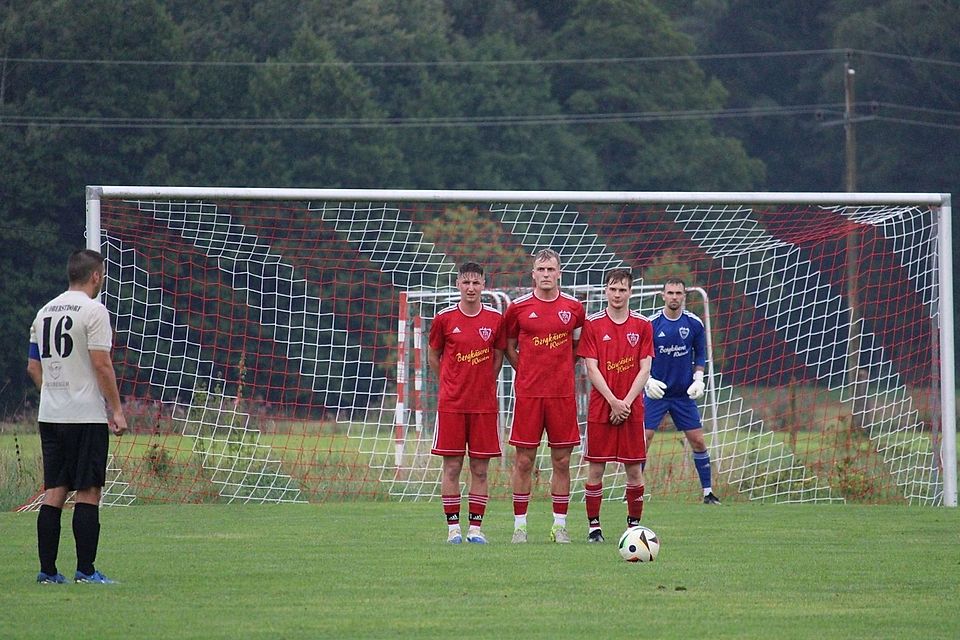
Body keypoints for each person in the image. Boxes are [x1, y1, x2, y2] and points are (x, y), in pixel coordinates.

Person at [27, 249, 128, 584]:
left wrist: (53, 393)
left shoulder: (44, 312)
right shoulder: (94, 311)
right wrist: (115, 409)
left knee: (54, 490)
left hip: (51, 414)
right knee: (88, 490)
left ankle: (47, 572)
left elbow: (32, 365)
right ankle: (85, 570)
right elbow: (101, 363)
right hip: (84, 415)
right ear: (96, 276)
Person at [504, 249, 585, 544]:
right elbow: (509, 346)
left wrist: (560, 370)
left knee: (562, 461)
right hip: (529, 394)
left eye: (551, 269)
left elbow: (578, 347)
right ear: (533, 274)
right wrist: (525, 371)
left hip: (562, 394)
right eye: (542, 269)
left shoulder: (574, 308)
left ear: (559, 273)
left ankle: (559, 525)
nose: (547, 274)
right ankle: (520, 527)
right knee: (524, 461)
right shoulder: (518, 308)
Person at [428, 262, 506, 544]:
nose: (471, 287)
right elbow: (433, 355)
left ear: (484, 285)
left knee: (481, 469)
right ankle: (453, 530)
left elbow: (498, 356)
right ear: (458, 284)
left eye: (476, 283)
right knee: (451, 467)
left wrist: (484, 383)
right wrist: (451, 382)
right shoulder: (444, 318)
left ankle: (475, 529)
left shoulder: (496, 319)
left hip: (483, 406)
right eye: (466, 282)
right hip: (452, 405)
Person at [577, 269, 653, 542]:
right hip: (602, 407)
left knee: (634, 469)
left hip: (632, 409)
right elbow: (591, 367)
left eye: (622, 289)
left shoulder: (643, 325)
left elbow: (645, 369)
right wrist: (613, 401)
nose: (617, 294)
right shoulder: (593, 324)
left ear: (630, 292)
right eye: (613, 289)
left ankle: (633, 528)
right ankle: (594, 528)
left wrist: (626, 403)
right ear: (606, 291)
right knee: (596, 468)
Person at [643, 279, 720, 504]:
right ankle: (634, 492)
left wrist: (698, 378)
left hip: (683, 395)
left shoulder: (694, 324)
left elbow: (700, 355)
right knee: (643, 441)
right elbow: (641, 356)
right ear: (662, 295)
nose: (674, 297)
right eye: (670, 293)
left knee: (698, 441)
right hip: (656, 393)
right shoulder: (651, 324)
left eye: (678, 293)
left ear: (684, 296)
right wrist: (647, 381)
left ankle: (708, 493)